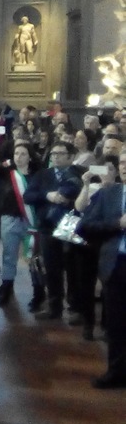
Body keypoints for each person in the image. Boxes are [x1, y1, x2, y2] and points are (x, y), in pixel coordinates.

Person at [78, 154, 126, 388]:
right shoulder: (109, 194)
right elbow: (84, 226)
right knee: (116, 323)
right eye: (123, 163)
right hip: (117, 265)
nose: (125, 167)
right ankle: (116, 372)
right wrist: (117, 224)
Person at [23, 140, 84, 320]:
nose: (56, 157)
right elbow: (28, 196)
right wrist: (47, 195)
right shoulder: (43, 175)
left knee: (72, 267)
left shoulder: (78, 174)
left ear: (71, 156)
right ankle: (54, 306)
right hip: (47, 226)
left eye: (60, 153)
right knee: (51, 267)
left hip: (70, 224)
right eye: (53, 154)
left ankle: (75, 307)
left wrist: (68, 197)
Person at [0, 141, 38, 308]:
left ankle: (38, 291)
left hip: (31, 222)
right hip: (9, 219)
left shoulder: (37, 175)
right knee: (8, 255)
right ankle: (7, 288)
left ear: (30, 157)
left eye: (23, 154)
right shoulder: (7, 173)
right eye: (16, 154)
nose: (19, 157)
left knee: (33, 258)